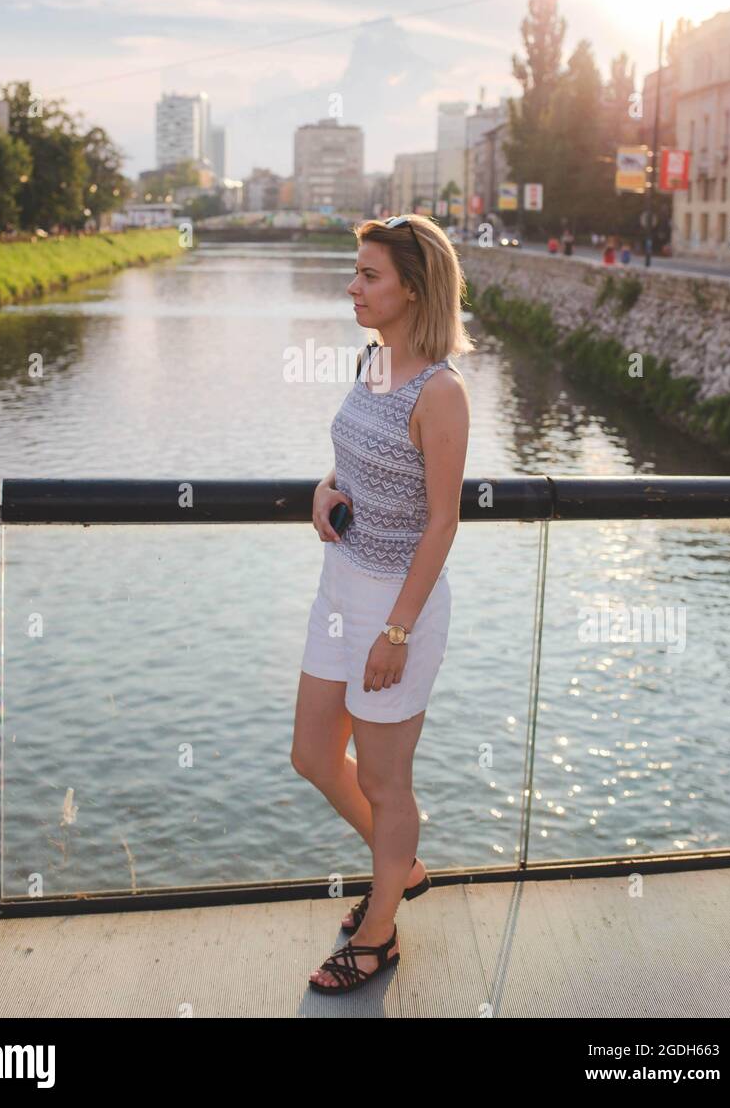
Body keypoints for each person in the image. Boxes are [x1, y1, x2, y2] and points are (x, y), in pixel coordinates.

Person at [294, 213, 472, 994]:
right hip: (339, 589)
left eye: (369, 275)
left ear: (415, 288)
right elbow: (352, 460)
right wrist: (324, 490)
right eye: (355, 272)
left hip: (398, 606)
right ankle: (401, 867)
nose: (353, 286)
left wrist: (396, 629)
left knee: (384, 784)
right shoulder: (372, 362)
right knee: (311, 755)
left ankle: (379, 931)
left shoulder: (442, 391)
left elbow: (443, 520)